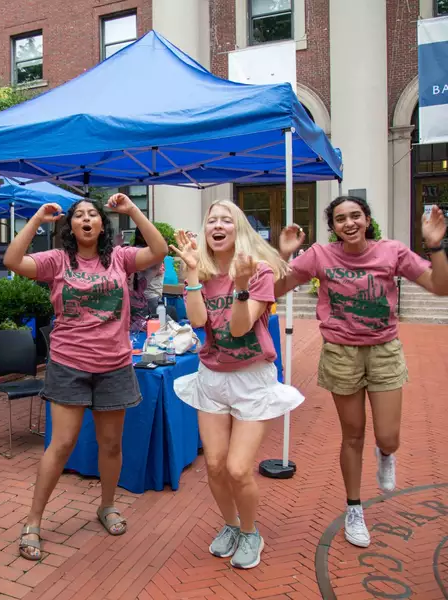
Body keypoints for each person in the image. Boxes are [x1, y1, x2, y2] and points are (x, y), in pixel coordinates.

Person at [274, 195, 448, 548]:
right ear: (333, 227)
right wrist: (283, 256)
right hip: (341, 353)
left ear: (367, 220)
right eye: (340, 219)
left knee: (388, 436)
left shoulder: (392, 251)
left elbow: (440, 286)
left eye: (356, 216)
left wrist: (435, 246)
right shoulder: (320, 255)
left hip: (384, 350)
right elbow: (274, 289)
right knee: (352, 436)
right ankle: (354, 508)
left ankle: (385, 453)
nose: (349, 223)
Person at [4, 194, 167, 561]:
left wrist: (132, 210)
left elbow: (159, 250)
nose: (87, 219)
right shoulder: (57, 260)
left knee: (111, 444)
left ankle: (106, 506)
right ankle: (33, 521)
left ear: (102, 225)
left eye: (93, 214)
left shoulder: (120, 258)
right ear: (71, 226)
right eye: (79, 215)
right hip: (69, 364)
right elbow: (12, 260)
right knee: (61, 445)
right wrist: (36, 219)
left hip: (114, 365)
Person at [171, 200, 304, 570]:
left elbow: (240, 327)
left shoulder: (258, 270)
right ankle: (230, 524)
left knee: (238, 468)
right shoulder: (201, 269)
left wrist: (241, 286)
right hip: (212, 376)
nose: (217, 225)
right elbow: (199, 321)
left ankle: (250, 531)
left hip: (252, 378)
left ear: (239, 228)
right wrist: (192, 274)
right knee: (214, 465)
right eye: (211, 220)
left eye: (226, 220)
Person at [129, 228, 166, 331]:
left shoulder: (140, 285)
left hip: (148, 296)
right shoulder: (144, 252)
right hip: (150, 296)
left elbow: (155, 269)